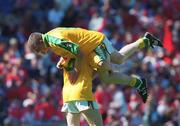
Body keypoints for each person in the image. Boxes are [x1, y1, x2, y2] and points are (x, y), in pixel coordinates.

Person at [27, 27, 163, 103]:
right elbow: (70, 51)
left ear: (40, 42)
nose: (41, 54)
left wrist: (75, 70)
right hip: (95, 41)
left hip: (95, 45)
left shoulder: (54, 41)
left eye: (38, 51)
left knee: (106, 76)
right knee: (120, 59)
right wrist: (64, 61)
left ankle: (137, 83)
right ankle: (145, 41)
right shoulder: (51, 37)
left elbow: (78, 52)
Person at [57, 54, 103, 126]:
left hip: (67, 95)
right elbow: (101, 66)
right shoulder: (89, 52)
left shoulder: (65, 54)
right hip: (82, 93)